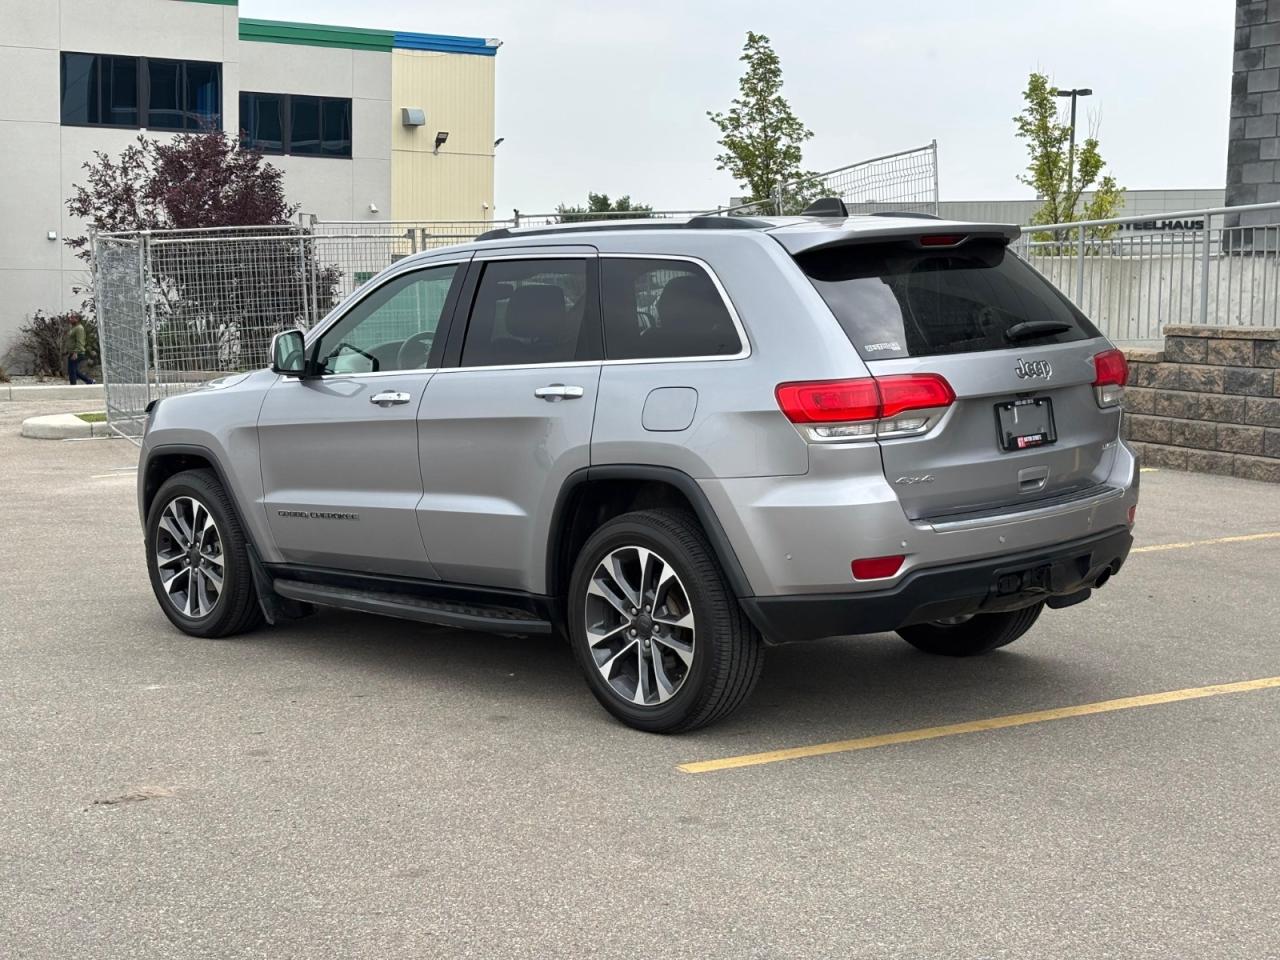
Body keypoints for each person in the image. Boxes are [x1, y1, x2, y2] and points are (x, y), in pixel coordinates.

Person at [64, 315, 94, 385]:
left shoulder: (79, 328)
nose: (70, 319)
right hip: (73, 352)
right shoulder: (74, 328)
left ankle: (73, 386)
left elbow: (80, 341)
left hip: (78, 352)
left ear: (77, 319)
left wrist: (75, 352)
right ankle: (89, 381)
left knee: (71, 371)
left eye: (72, 318)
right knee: (73, 370)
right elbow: (71, 341)